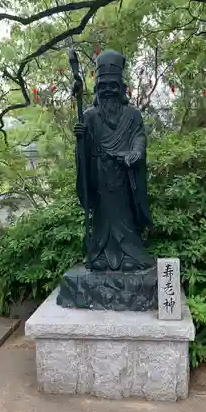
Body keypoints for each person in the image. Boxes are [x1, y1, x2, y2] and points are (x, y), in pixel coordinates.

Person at [74, 49, 154, 272]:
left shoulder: (133, 115)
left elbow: (139, 137)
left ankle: (130, 253)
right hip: (99, 175)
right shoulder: (90, 116)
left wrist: (136, 153)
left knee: (125, 216)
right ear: (97, 89)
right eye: (103, 86)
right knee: (103, 219)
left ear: (122, 88)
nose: (108, 90)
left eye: (113, 85)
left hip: (124, 175)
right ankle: (99, 253)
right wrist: (81, 137)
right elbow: (85, 149)